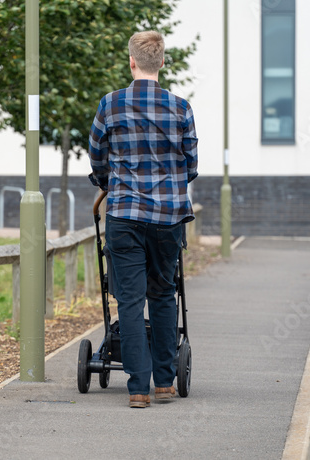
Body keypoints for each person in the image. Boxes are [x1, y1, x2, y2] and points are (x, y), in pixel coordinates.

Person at [88, 30, 198, 408]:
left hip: (124, 214)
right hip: (168, 217)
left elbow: (97, 156)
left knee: (130, 301)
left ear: (131, 61)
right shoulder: (181, 107)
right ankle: (165, 383)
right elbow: (190, 162)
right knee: (164, 293)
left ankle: (137, 389)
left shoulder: (110, 105)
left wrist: (109, 184)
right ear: (162, 62)